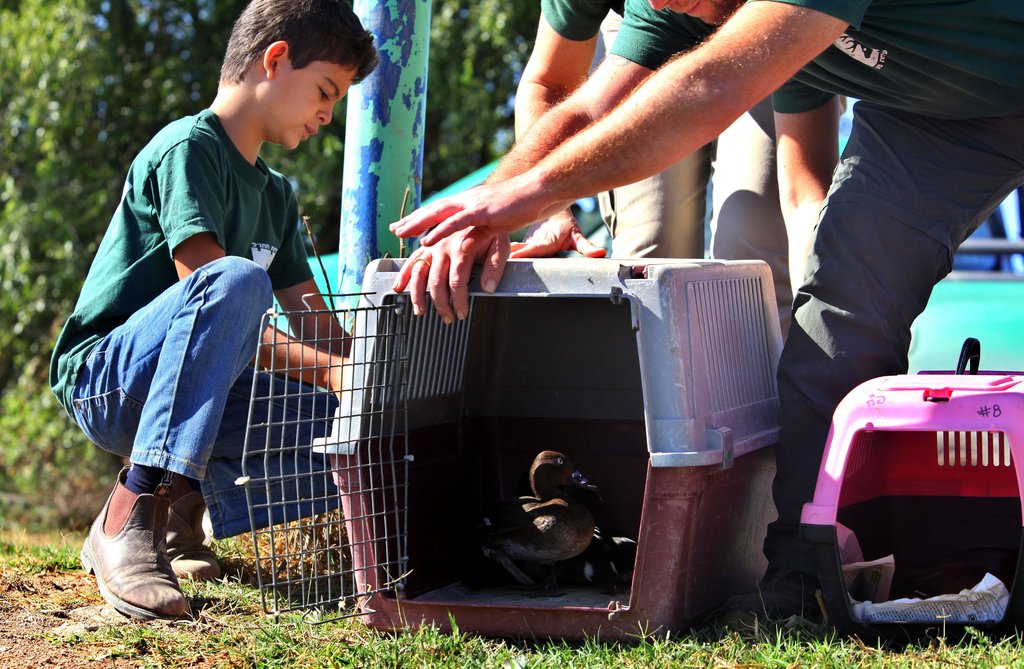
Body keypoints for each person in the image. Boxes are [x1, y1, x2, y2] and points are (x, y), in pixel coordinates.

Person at [391, 0, 1024, 620]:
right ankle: (803, 575)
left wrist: (520, 196)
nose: (656, 5)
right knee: (838, 314)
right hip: (935, 119)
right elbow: (590, 105)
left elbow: (708, 84)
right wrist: (495, 204)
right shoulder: (663, 5)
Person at [49, 0, 377, 620]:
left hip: (200, 389)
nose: (327, 116)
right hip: (109, 381)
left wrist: (375, 375)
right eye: (325, 92)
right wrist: (332, 371)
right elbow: (214, 301)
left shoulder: (278, 197)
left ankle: (177, 517)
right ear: (274, 59)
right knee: (237, 282)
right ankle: (133, 505)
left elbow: (319, 331)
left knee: (363, 417)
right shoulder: (189, 149)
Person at [512, 2, 799, 337]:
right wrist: (545, 208)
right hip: (644, 34)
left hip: (766, 19)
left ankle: (764, 386)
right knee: (647, 268)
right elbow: (548, 82)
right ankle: (647, 388)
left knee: (750, 253)